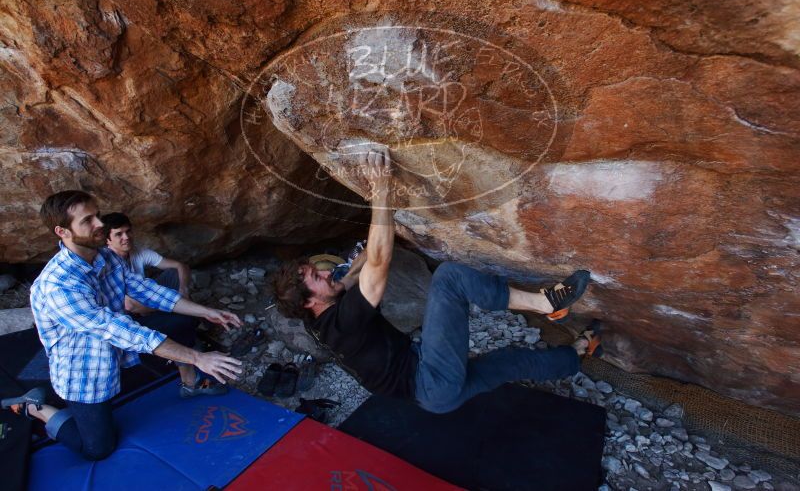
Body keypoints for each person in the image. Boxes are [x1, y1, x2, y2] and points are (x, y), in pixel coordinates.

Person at [272, 147, 600, 414]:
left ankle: (579, 352)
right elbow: (378, 261)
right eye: (318, 277)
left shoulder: (316, 318)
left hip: (435, 398)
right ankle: (545, 304)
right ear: (308, 302)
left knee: (508, 363)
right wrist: (381, 190)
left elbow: (357, 269)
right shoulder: (342, 325)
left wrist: (387, 228)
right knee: (449, 279)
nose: (327, 272)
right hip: (430, 378)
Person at [0, 190, 243, 461]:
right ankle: (35, 407)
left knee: (181, 319)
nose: (99, 224)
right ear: (62, 231)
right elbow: (119, 329)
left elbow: (147, 290)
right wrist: (198, 357)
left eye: (97, 215)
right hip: (83, 369)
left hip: (116, 351)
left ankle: (190, 383)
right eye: (87, 220)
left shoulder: (106, 256)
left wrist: (207, 311)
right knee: (98, 448)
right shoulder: (57, 285)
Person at [100, 212, 202, 389]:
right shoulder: (107, 265)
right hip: (126, 320)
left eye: (128, 231)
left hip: (145, 304)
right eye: (118, 234)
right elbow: (131, 306)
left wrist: (182, 291)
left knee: (172, 275)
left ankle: (184, 317)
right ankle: (189, 380)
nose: (126, 238)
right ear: (107, 240)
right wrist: (174, 306)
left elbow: (179, 266)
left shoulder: (137, 252)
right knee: (181, 319)